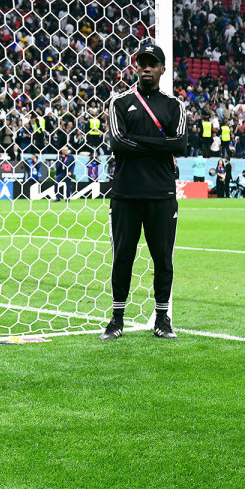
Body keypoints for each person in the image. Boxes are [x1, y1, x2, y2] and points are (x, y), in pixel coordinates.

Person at [99, 44, 187, 341]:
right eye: (142, 63)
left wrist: (138, 141)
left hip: (162, 195)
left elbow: (180, 145)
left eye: (152, 63)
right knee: (122, 257)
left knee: (163, 259)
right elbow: (117, 142)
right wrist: (160, 145)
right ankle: (116, 319)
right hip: (126, 193)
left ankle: (162, 318)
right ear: (135, 68)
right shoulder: (120, 102)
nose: (146, 68)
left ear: (163, 69)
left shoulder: (174, 106)